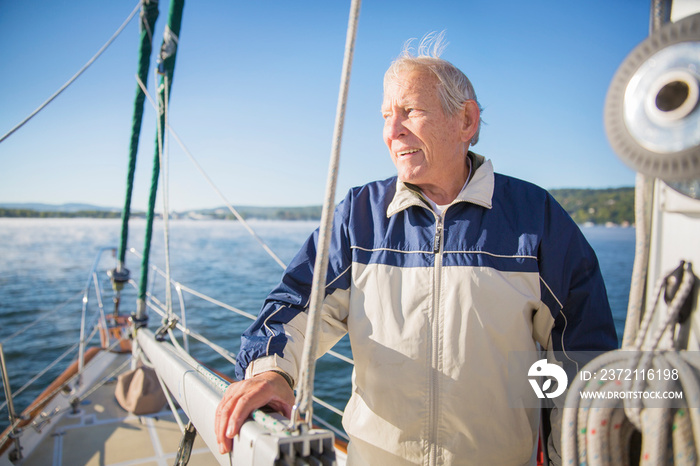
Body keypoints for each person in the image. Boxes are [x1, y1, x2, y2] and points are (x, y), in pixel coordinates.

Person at [215, 33, 617, 465]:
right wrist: (271, 371)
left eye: (410, 111)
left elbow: (579, 360)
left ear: (466, 121)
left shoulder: (537, 219)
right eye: (386, 115)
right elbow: (299, 305)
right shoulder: (360, 216)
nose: (391, 131)